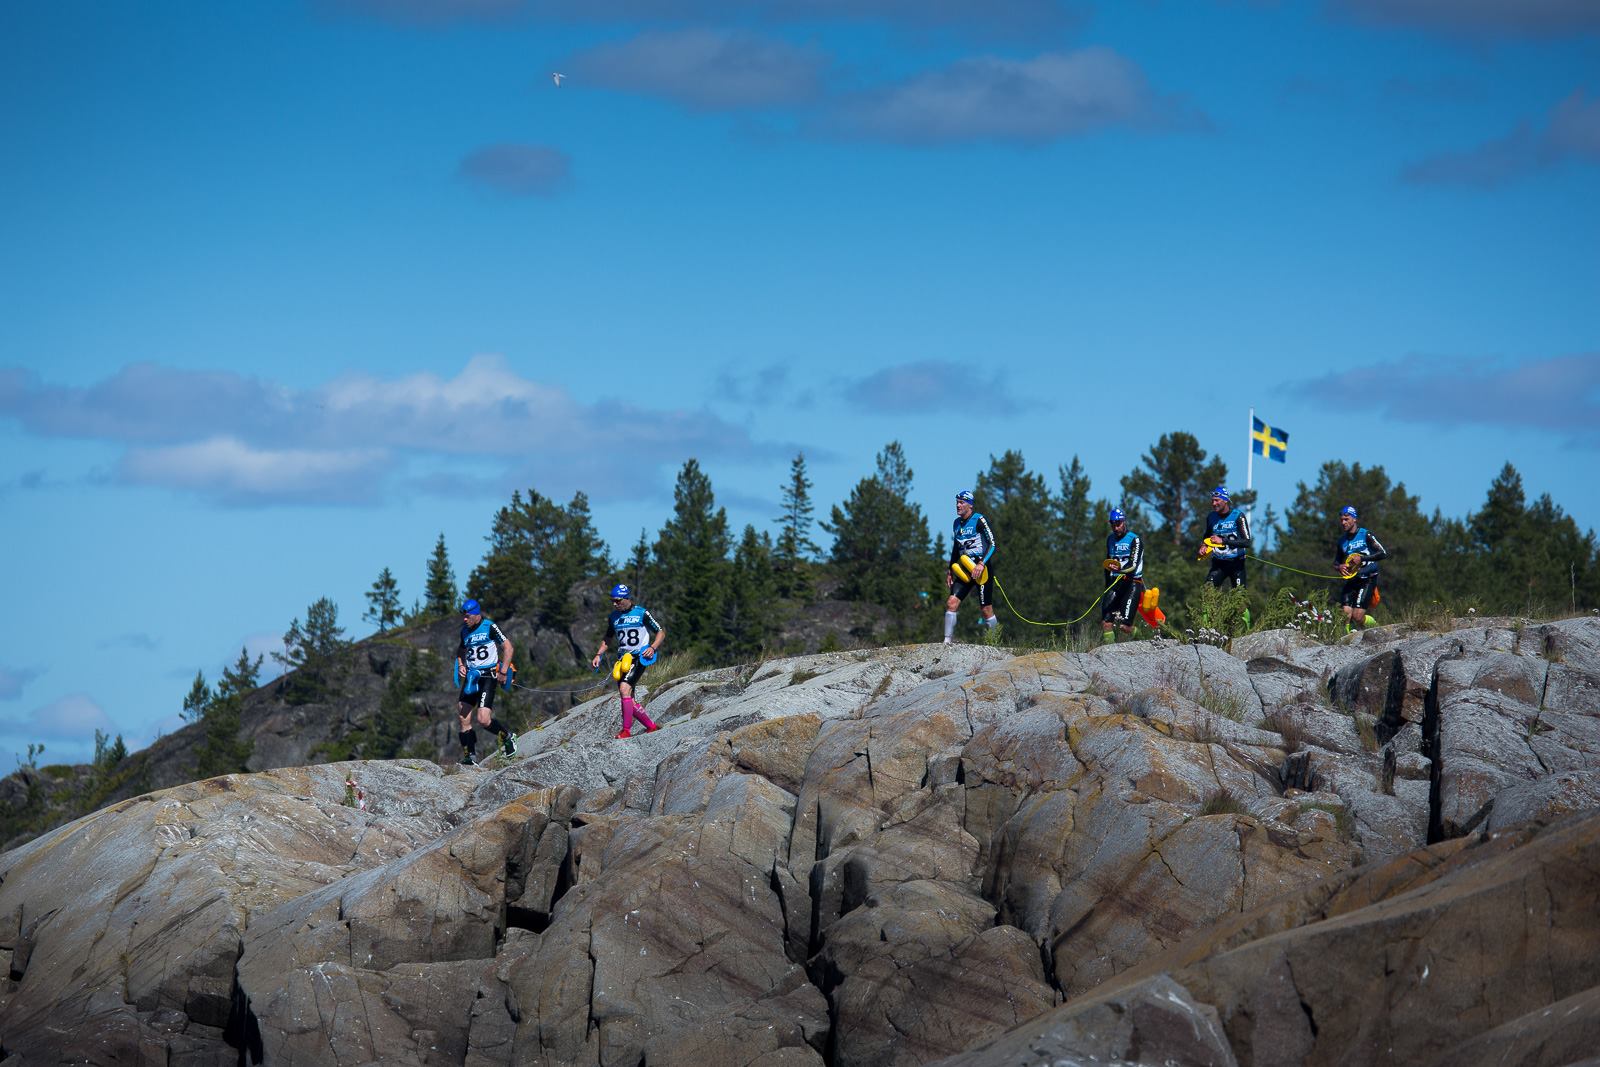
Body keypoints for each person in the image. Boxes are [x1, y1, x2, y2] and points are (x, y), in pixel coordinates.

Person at [590, 584, 664, 739]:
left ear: (627, 598)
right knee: (628, 698)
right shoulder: (613, 617)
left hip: (639, 657)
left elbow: (661, 632)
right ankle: (651, 727)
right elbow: (607, 638)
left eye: (617, 601)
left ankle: (626, 731)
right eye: (612, 601)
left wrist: (653, 647)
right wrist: (598, 655)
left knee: (624, 689)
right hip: (623, 660)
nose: (614, 604)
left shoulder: (642, 613)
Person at [456, 598, 517, 765]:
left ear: (476, 614)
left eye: (467, 616)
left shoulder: (489, 626)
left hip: (488, 677)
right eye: (463, 616)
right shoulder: (464, 631)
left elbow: (508, 647)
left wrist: (503, 671)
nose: (465, 619)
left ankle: (508, 737)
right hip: (471, 678)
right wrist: (461, 665)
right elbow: (461, 650)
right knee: (463, 716)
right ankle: (470, 756)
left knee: (483, 719)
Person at [945, 489, 999, 643]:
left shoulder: (979, 520)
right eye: (957, 502)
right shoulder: (956, 524)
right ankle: (946, 642)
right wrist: (950, 569)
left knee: (986, 609)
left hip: (982, 570)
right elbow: (956, 548)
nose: (958, 505)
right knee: (951, 602)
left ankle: (995, 640)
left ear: (970, 505)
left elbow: (993, 544)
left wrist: (982, 563)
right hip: (965, 569)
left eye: (961, 502)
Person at [1336, 505, 1388, 629]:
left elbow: (1383, 553)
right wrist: (1339, 567)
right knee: (1345, 614)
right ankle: (1345, 641)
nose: (1343, 522)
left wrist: (1362, 558)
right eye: (1341, 520)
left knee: (1357, 617)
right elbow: (1336, 562)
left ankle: (1377, 627)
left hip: (1368, 579)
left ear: (1354, 519)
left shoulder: (1365, 534)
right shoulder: (1341, 541)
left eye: (1346, 519)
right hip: (1352, 580)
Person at [1101, 507, 1145, 643]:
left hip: (1133, 583)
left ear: (1124, 522)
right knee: (1106, 622)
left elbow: (1132, 565)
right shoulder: (1110, 540)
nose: (1115, 527)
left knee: (1125, 626)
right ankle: (1109, 654)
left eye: (1118, 523)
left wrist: (1119, 569)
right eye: (1113, 524)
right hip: (1115, 583)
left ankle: (1144, 639)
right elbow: (1108, 565)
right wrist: (1107, 586)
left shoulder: (1135, 540)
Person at [1202, 486, 1252, 590]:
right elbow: (1207, 536)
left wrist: (1223, 541)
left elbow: (1247, 542)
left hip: (1237, 564)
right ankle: (1214, 607)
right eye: (1212, 501)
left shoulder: (1238, 516)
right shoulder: (1211, 517)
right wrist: (1204, 546)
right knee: (1207, 592)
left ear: (1225, 500)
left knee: (1239, 600)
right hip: (1218, 564)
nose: (1213, 503)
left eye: (1217, 500)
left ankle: (1246, 607)